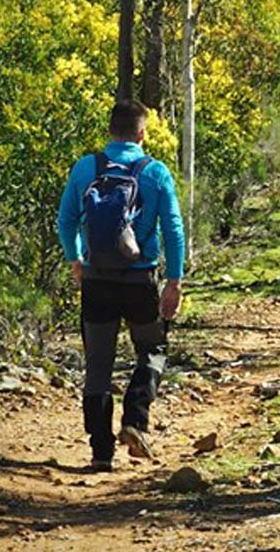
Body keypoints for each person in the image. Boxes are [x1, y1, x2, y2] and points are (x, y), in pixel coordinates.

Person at [57, 100, 185, 472]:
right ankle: (135, 419)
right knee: (153, 348)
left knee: (98, 364)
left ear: (111, 130)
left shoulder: (86, 167)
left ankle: (100, 452)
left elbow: (65, 220)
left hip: (96, 280)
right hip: (139, 279)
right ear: (142, 133)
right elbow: (173, 230)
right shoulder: (155, 172)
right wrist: (173, 281)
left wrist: (75, 259)